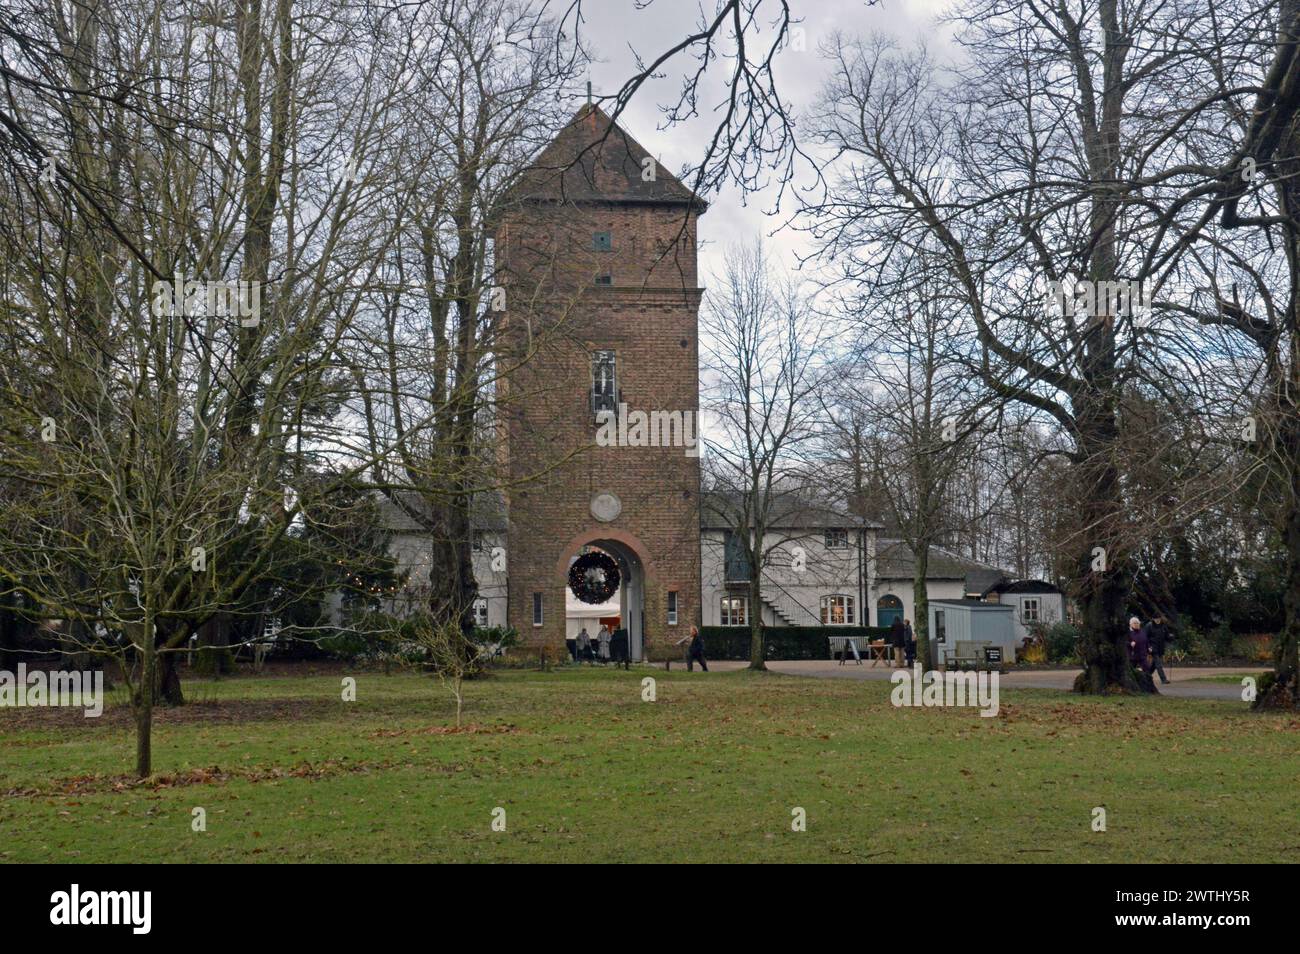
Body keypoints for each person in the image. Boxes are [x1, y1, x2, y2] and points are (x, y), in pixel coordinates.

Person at [1147, 615, 1173, 685]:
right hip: (1153, 648)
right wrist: (1148, 646)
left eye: (1158, 618)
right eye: (1155, 618)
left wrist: (1171, 637)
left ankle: (1147, 675)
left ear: (1160, 619)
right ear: (1153, 618)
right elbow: (1146, 638)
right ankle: (1163, 679)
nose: (1157, 620)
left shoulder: (1163, 626)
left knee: (1154, 665)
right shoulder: (1149, 626)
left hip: (1161, 648)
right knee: (1158, 664)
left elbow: (1167, 636)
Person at [1128, 616, 1154, 683]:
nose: (1137, 624)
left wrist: (1149, 647)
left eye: (1138, 623)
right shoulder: (1128, 633)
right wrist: (1130, 643)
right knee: (1130, 671)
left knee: (1147, 669)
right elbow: (1123, 642)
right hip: (1132, 656)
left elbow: (1146, 641)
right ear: (1130, 624)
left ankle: (1149, 683)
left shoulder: (1142, 632)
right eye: (1135, 623)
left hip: (1142, 655)